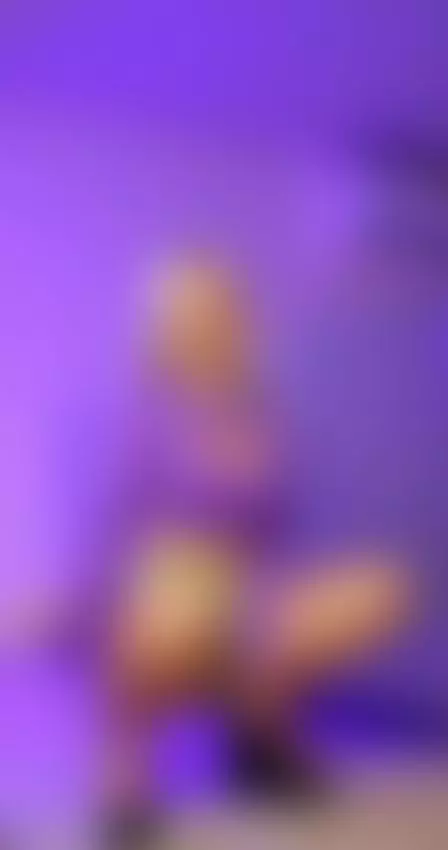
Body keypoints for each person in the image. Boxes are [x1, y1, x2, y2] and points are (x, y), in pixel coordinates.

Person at [2, 257, 411, 848]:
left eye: (218, 317)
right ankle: (126, 776)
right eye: (191, 320)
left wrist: (268, 593)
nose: (207, 332)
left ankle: (260, 734)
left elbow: (277, 534)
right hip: (159, 598)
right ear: (164, 333)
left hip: (249, 593)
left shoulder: (262, 421)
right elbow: (105, 536)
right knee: (168, 612)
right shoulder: (137, 420)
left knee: (375, 590)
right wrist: (90, 607)